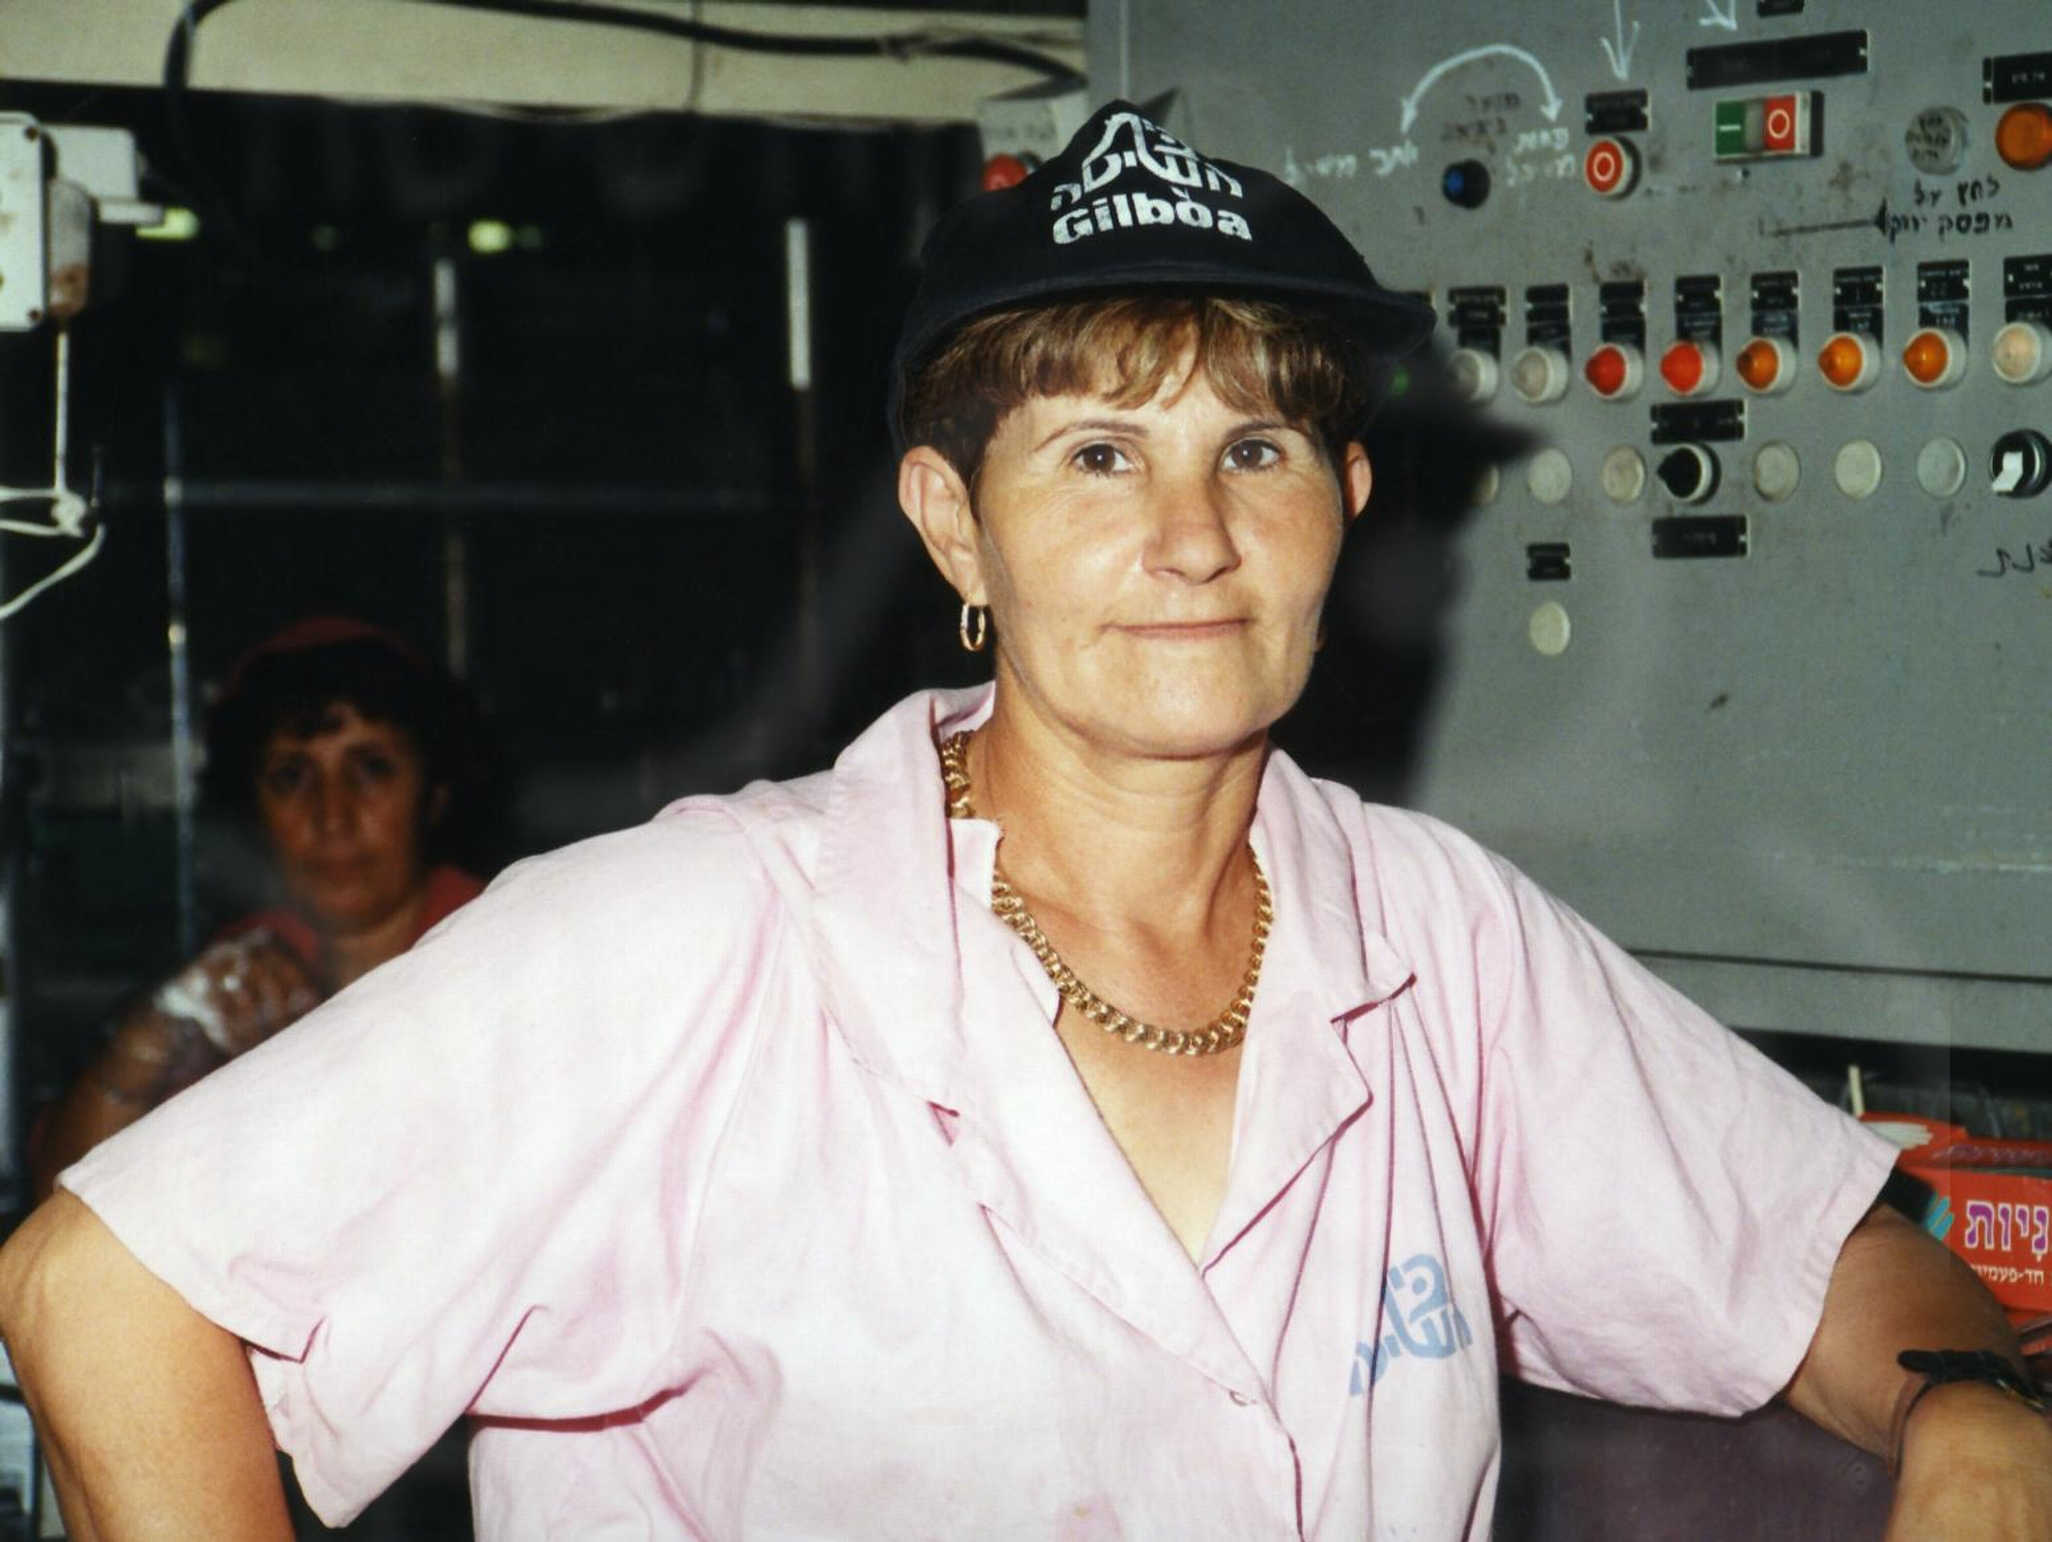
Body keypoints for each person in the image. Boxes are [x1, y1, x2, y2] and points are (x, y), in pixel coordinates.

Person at [1, 102, 2048, 1540]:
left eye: (1258, 445)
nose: (1193, 536)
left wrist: (1966, 1416)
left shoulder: (1437, 934)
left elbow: (1830, 1267)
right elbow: (112, 1290)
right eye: (1094, 454)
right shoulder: (709, 934)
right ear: (952, 524)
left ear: (1347, 505)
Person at [29, 616, 487, 1194]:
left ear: (436, 792)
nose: (332, 815)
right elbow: (60, 1203)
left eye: (371, 768)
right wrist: (146, 1042)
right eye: (291, 776)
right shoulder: (236, 979)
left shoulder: (502, 952)